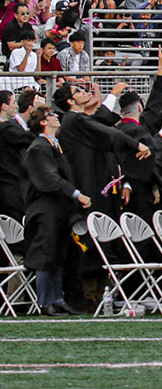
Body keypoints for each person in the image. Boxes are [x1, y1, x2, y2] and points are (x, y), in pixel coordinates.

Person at [21, 103, 85, 315]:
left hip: (58, 208)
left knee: (59, 253)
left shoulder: (53, 145)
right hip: (45, 208)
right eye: (50, 115)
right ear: (42, 122)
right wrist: (75, 193)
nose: (56, 117)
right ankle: (44, 300)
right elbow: (49, 178)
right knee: (45, 253)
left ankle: (57, 298)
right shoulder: (39, 148)